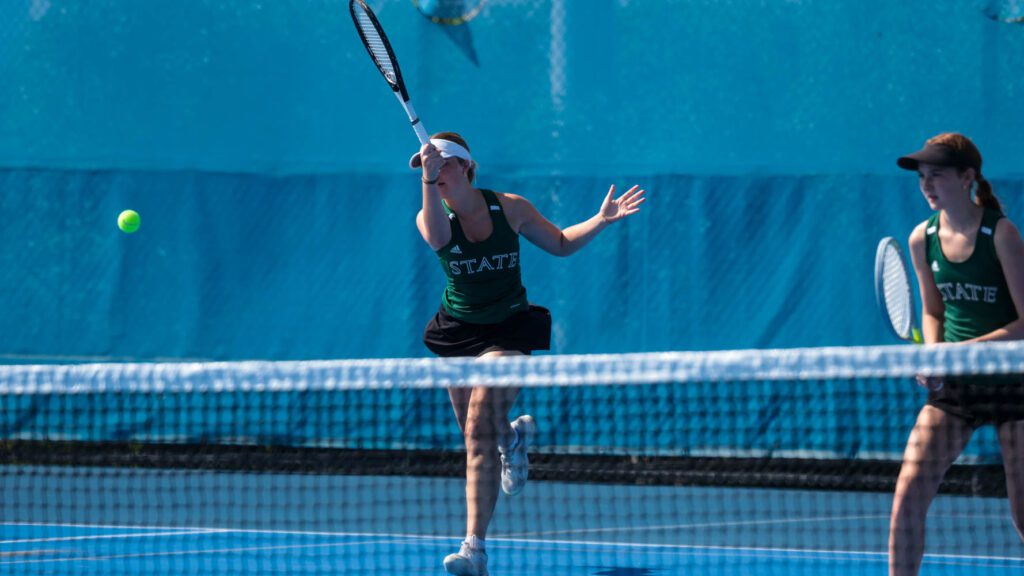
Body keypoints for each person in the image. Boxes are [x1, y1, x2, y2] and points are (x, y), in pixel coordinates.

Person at [412, 132, 646, 576]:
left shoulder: (511, 208)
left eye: (441, 165)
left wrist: (600, 220)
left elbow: (559, 243)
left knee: (479, 428)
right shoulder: (429, 215)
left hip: (509, 329)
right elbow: (440, 238)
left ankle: (473, 550)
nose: (433, 173)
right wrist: (427, 181)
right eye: (426, 168)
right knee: (472, 433)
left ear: (465, 166)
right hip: (458, 330)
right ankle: (513, 438)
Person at [889, 132, 1024, 576]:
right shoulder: (920, 239)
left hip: (1013, 383)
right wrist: (932, 356)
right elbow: (932, 309)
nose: (928, 185)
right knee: (908, 495)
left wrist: (962, 351)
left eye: (938, 176)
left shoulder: (1000, 234)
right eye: (923, 177)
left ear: (968, 177)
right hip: (956, 387)